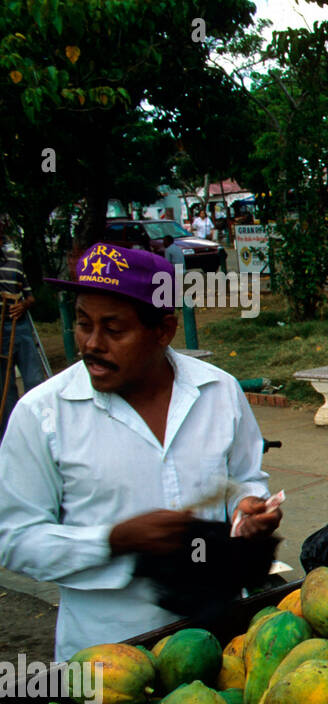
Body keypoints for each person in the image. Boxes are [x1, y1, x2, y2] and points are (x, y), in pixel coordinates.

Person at [0, 243, 281, 660]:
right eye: (82, 324)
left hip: (219, 642)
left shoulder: (219, 392)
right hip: (105, 658)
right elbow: (14, 539)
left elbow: (246, 478)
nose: (92, 344)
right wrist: (113, 540)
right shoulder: (42, 415)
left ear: (163, 330)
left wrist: (248, 509)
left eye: (114, 330)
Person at [0, 224, 47, 436]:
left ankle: (39, 430)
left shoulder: (14, 260)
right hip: (0, 330)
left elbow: (30, 297)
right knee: (5, 387)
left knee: (34, 380)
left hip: (21, 326)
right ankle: (13, 435)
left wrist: (23, 304)